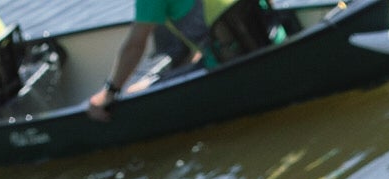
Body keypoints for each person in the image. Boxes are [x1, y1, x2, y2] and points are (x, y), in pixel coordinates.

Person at [87, 0, 263, 110]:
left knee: (136, 90)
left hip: (229, 58)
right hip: (266, 34)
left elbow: (135, 46)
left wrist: (110, 92)